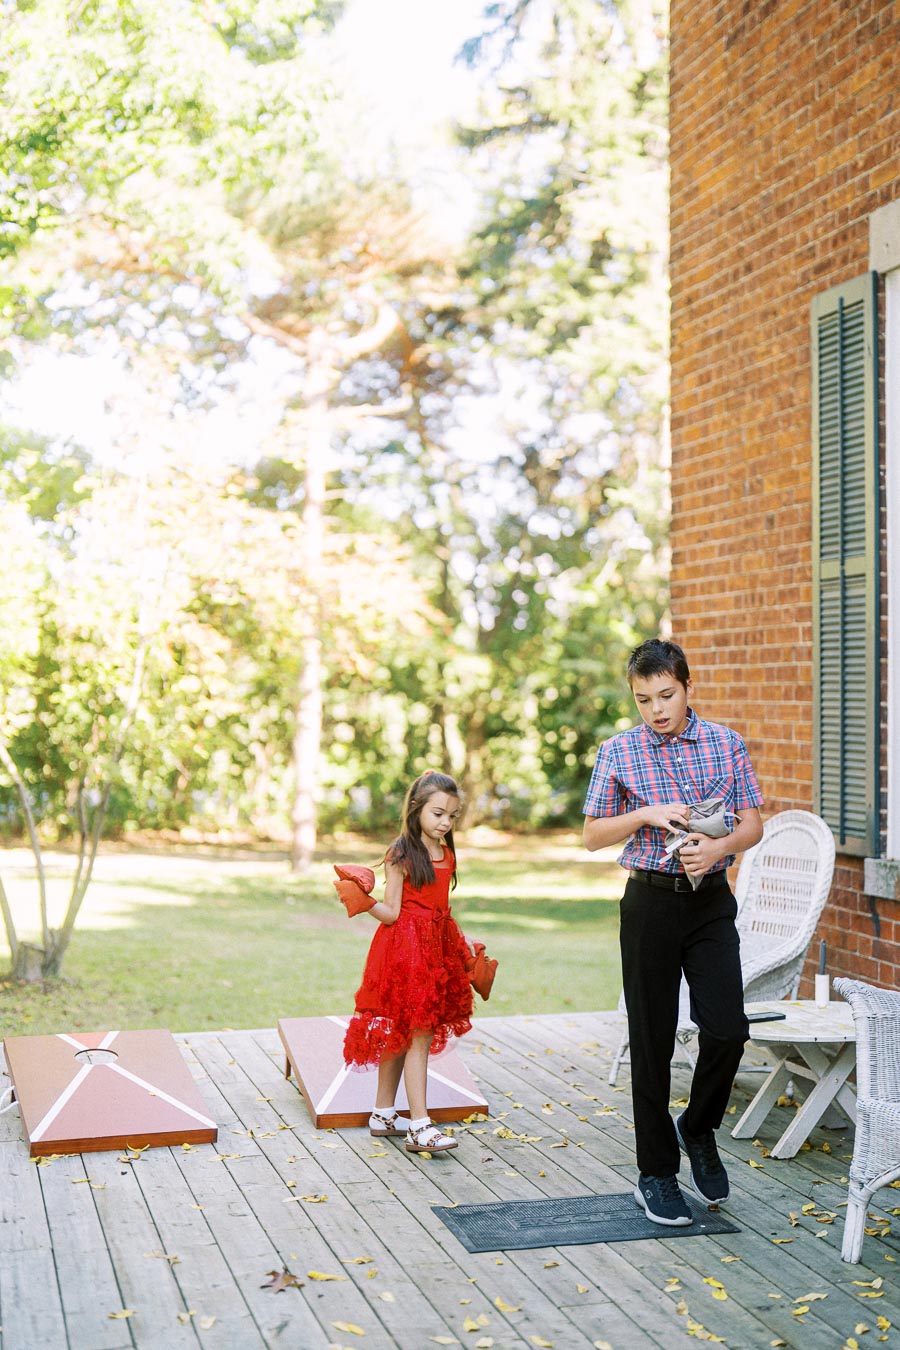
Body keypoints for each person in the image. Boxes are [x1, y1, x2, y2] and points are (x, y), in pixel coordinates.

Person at [582, 639, 764, 1226]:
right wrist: (644, 814)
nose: (656, 709)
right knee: (653, 1041)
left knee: (728, 1029)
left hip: (711, 904)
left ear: (687, 688)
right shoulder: (618, 752)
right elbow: (591, 835)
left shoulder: (725, 744)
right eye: (644, 700)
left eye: (666, 695)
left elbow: (754, 824)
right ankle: (656, 1174)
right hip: (650, 906)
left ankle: (698, 1126)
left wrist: (719, 847)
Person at [341, 770, 474, 1155]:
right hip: (406, 952)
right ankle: (419, 1126)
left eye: (451, 815)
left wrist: (464, 950)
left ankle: (383, 1114)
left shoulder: (446, 852)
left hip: (437, 950)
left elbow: (442, 909)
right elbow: (393, 911)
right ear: (416, 809)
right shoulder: (401, 853)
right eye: (437, 814)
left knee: (405, 1035)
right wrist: (364, 902)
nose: (445, 823)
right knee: (418, 1035)